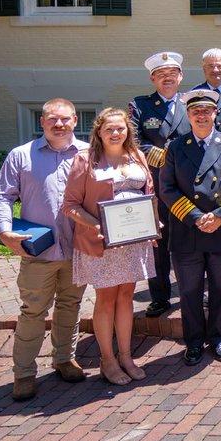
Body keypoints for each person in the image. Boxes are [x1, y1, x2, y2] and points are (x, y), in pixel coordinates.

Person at [0, 99, 89, 401]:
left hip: (79, 249)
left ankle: (64, 359)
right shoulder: (22, 156)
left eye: (64, 119)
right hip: (39, 251)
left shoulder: (90, 153)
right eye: (52, 119)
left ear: (75, 120)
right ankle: (23, 373)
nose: (59, 124)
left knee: (70, 306)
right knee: (33, 311)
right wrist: (5, 232)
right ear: (43, 122)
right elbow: (3, 196)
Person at [63, 107, 155, 384]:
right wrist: (99, 226)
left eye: (120, 128)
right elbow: (70, 205)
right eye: (109, 129)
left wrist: (153, 224)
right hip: (102, 244)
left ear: (128, 130)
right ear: (99, 132)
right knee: (106, 298)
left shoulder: (137, 156)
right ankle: (107, 360)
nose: (116, 133)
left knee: (126, 296)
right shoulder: (86, 160)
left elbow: (149, 194)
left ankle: (126, 355)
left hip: (132, 241)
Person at [158, 89, 221, 366]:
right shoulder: (175, 147)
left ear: (215, 114)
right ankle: (194, 341)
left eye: (206, 111)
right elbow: (167, 189)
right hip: (188, 231)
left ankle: (220, 337)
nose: (201, 115)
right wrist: (196, 216)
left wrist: (220, 215)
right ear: (188, 115)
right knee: (190, 291)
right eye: (195, 111)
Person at [129, 50, 189, 318]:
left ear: (181, 76)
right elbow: (130, 139)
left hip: (188, 186)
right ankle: (160, 297)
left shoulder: (192, 103)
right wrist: (158, 154)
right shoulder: (140, 106)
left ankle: (193, 292)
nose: (168, 78)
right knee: (159, 244)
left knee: (190, 243)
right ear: (152, 78)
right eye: (161, 75)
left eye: (172, 73)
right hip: (154, 186)